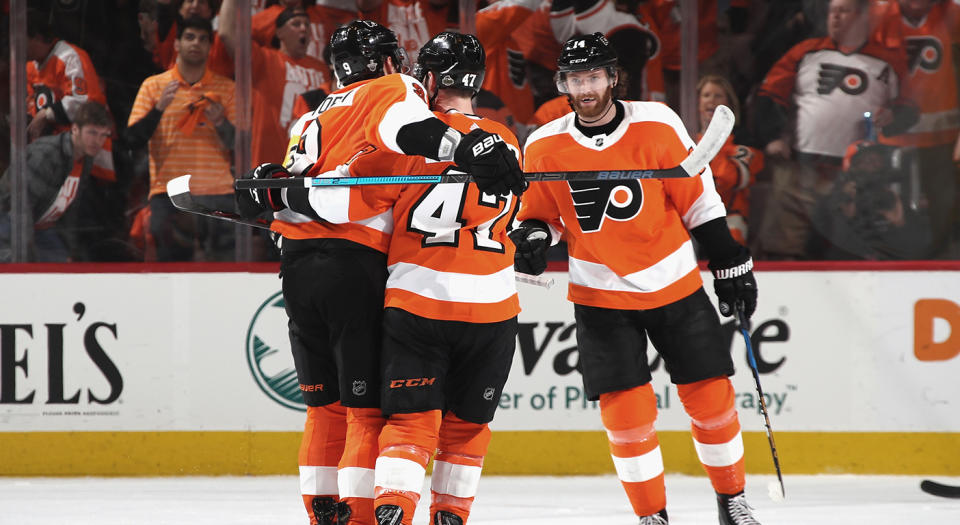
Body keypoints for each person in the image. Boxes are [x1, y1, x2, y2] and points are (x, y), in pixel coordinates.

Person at [233, 20, 525, 525]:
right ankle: (366, 517)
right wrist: (465, 148)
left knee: (324, 407)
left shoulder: (311, 116)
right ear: (389, 63)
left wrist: (277, 191)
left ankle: (322, 512)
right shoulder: (410, 101)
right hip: (366, 269)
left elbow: (318, 191)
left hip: (299, 268)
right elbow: (404, 137)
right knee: (366, 412)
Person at [512, 33, 761, 524]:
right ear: (564, 83)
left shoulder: (657, 122)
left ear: (612, 78)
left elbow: (697, 198)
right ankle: (652, 516)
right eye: (575, 78)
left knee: (711, 400)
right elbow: (541, 216)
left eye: (594, 76)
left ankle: (731, 501)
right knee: (626, 417)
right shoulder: (544, 144)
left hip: (675, 284)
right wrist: (535, 238)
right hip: (601, 295)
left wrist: (727, 258)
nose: (585, 87)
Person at [751, 0, 917, 260]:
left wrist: (892, 116)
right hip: (799, 168)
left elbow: (909, 108)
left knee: (847, 250)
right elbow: (770, 94)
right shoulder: (803, 52)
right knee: (782, 246)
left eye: (844, 10)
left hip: (856, 177)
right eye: (832, 11)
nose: (836, 17)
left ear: (863, 15)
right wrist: (773, 137)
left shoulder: (888, 59)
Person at [127, 16, 237, 261]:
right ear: (176, 44)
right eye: (189, 37)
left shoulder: (227, 88)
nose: (195, 43)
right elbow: (132, 139)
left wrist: (221, 123)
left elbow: (240, 145)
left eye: (202, 39)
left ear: (210, 47)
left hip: (219, 192)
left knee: (224, 273)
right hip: (170, 193)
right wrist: (158, 109)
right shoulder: (153, 87)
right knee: (171, 272)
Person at [875, 0, 960, 258]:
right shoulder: (877, 15)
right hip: (890, 139)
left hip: (943, 138)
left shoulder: (952, 14)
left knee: (943, 206)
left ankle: (940, 262)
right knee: (890, 209)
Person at [218, 0, 330, 166]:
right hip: (270, 160)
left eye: (307, 24)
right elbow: (227, 33)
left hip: (312, 160)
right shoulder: (264, 59)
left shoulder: (322, 68)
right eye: (296, 24)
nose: (303, 28)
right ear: (279, 32)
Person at [0, 102, 113, 262]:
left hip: (42, 228)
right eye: (92, 132)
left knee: (63, 270)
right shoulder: (47, 153)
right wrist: (28, 256)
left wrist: (70, 249)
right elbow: (22, 206)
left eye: (104, 135)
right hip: (11, 223)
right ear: (75, 129)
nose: (98, 141)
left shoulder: (85, 159)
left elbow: (70, 209)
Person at [696, 75, 764, 247]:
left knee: (730, 244)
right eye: (706, 95)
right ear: (697, 102)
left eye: (718, 96)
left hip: (729, 214)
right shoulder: (683, 135)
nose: (711, 100)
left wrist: (711, 136)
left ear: (729, 103)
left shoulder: (744, 140)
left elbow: (729, 179)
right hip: (690, 211)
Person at [26, 8, 108, 142]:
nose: (17, 47)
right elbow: (30, 108)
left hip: (85, 150)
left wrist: (47, 114)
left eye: (22, 41)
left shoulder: (70, 58)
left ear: (38, 37)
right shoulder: (29, 67)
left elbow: (85, 103)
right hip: (49, 151)